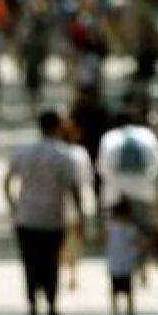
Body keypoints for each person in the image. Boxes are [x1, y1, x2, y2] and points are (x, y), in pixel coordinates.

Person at [5, 111, 84, 315]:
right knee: (51, 263)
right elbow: (73, 187)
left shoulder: (23, 151)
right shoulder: (64, 154)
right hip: (52, 217)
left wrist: (13, 205)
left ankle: (32, 306)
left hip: (26, 216)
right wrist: (80, 212)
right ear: (58, 126)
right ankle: (51, 306)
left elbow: (7, 180)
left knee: (30, 263)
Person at [96, 112, 158, 285]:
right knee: (142, 231)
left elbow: (102, 166)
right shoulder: (147, 135)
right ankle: (142, 266)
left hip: (116, 194)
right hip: (143, 191)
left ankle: (118, 268)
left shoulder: (109, 137)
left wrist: (118, 183)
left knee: (117, 233)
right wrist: (145, 179)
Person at [59, 116, 95, 292]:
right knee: (74, 239)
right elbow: (87, 179)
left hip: (57, 202)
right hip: (76, 200)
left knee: (59, 240)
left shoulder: (57, 152)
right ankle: (73, 275)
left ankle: (61, 273)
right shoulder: (80, 153)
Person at [69, 87, 111, 222]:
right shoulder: (77, 111)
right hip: (83, 151)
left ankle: (99, 207)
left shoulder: (100, 111)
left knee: (98, 181)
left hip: (97, 150)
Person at [106, 200, 140, 315]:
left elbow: (137, 243)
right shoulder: (111, 228)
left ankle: (129, 313)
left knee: (128, 290)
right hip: (116, 264)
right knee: (115, 291)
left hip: (126, 264)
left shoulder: (131, 229)